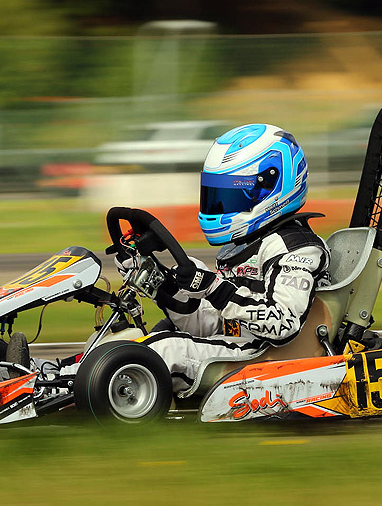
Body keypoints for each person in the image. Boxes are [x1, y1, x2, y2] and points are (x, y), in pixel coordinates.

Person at [127, 123, 330, 393]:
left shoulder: (297, 249)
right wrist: (163, 287)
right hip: (238, 346)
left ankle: (87, 385)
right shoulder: (244, 246)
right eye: (217, 194)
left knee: (164, 349)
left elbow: (283, 323)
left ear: (271, 187)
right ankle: (60, 377)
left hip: (267, 356)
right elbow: (218, 323)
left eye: (232, 194)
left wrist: (213, 287)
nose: (221, 205)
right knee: (128, 341)